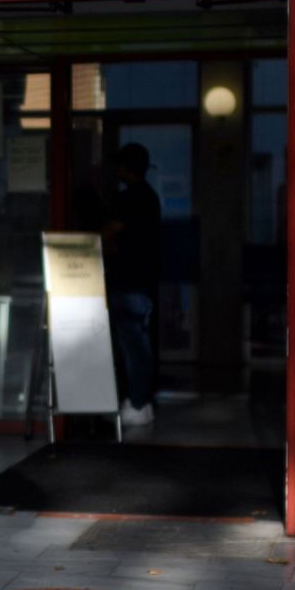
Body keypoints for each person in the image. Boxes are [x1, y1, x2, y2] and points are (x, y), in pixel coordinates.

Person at [102, 143, 163, 426]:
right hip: (145, 281)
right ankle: (143, 401)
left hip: (127, 282)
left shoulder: (128, 199)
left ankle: (138, 402)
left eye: (120, 166)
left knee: (133, 346)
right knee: (141, 343)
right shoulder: (150, 197)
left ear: (126, 168)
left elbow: (110, 232)